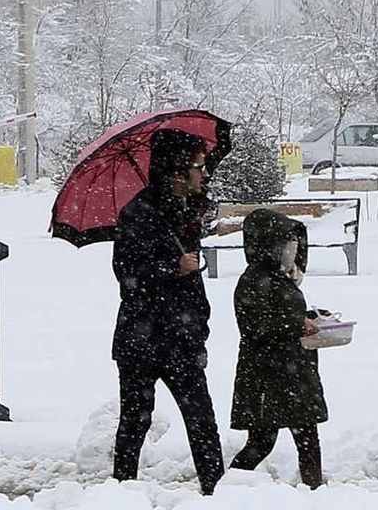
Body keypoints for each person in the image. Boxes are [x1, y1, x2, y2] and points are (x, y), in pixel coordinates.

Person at [111, 128, 224, 494]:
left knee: (202, 420)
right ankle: (121, 491)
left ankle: (217, 491)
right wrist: (173, 268)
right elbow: (128, 275)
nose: (204, 174)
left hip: (182, 336)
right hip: (143, 338)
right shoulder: (140, 214)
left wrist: (198, 328)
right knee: (135, 419)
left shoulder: (186, 212)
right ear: (176, 172)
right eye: (198, 167)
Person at [229, 209, 328, 489]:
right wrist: (298, 324)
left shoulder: (281, 278)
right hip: (267, 376)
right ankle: (228, 488)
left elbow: (281, 315)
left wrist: (310, 317)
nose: (292, 248)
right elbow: (256, 327)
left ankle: (315, 491)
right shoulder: (253, 282)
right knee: (262, 442)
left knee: (306, 436)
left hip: (291, 373)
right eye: (286, 242)